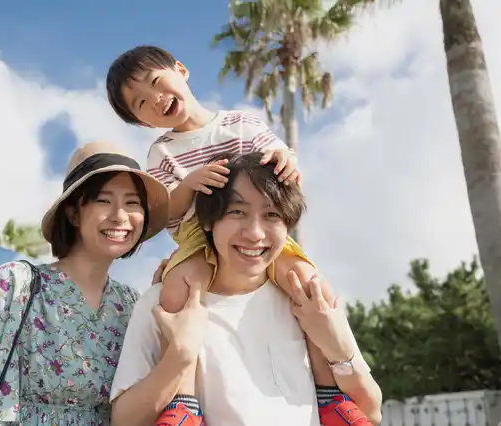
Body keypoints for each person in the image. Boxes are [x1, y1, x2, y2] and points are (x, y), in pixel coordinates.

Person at [106, 45, 344, 421]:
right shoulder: (162, 154)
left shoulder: (240, 124)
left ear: (181, 70)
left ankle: (331, 395)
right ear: (143, 122)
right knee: (177, 290)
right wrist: (190, 185)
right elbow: (166, 213)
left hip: (257, 230)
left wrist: (287, 158)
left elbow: (280, 161)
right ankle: (183, 402)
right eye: (141, 103)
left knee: (309, 284)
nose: (156, 99)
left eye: (156, 82)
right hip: (197, 237)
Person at [109, 152, 383, 426]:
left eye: (271, 214)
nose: (255, 233)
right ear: (209, 221)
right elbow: (124, 421)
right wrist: (179, 356)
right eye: (237, 212)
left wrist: (338, 350)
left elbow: (370, 412)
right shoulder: (162, 304)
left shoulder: (308, 300)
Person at [0, 141, 169, 425]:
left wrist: (167, 298)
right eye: (103, 200)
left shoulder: (131, 305)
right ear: (73, 213)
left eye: (132, 203)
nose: (120, 216)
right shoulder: (14, 284)